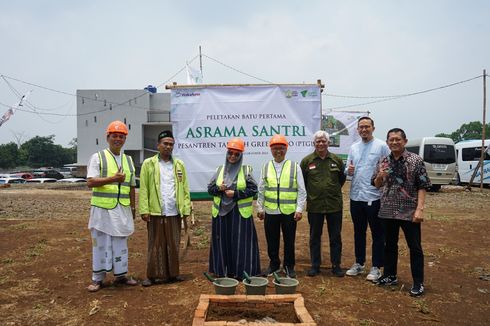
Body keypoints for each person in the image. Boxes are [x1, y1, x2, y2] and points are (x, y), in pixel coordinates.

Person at [373, 128, 431, 297]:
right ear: (387, 142)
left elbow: (423, 186)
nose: (394, 142)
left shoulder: (415, 160)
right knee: (389, 246)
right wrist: (380, 176)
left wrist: (419, 209)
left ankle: (418, 283)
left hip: (409, 211)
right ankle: (390, 275)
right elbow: (376, 184)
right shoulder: (384, 161)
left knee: (415, 247)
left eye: (398, 139)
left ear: (404, 141)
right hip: (387, 210)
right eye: (391, 139)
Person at [86, 120, 138, 292]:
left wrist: (133, 208)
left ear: (125, 139)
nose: (118, 139)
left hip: (122, 209)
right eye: (114, 136)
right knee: (100, 243)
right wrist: (112, 179)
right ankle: (97, 278)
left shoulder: (128, 160)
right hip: (102, 209)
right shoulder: (98, 157)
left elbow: (131, 186)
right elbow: (91, 182)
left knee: (120, 242)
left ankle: (121, 275)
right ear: (108, 137)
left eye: (121, 136)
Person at [139, 130, 191, 286]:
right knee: (155, 244)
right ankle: (152, 275)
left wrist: (186, 209)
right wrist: (144, 209)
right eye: (165, 144)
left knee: (173, 243)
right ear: (158, 145)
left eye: (171, 144)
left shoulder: (179, 164)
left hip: (174, 211)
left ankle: (173, 274)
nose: (168, 147)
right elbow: (144, 188)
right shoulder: (149, 164)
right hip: (156, 211)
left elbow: (185, 188)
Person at [207, 137, 261, 279]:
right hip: (221, 214)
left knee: (240, 243)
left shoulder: (246, 170)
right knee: (222, 241)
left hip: (239, 213)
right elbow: (210, 189)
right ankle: (223, 271)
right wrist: (219, 188)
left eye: (237, 154)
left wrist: (235, 193)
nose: (233, 156)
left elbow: (253, 189)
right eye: (230, 153)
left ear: (241, 155)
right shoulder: (220, 170)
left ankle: (241, 272)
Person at [345, 117, 390, 281]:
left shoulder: (381, 146)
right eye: (361, 127)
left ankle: (376, 266)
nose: (364, 130)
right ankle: (359, 263)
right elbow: (347, 170)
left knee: (377, 233)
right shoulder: (354, 147)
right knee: (359, 232)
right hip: (356, 196)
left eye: (367, 127)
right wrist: (348, 170)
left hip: (374, 196)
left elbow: (388, 167)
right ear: (357, 130)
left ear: (373, 128)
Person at [257, 134, 306, 278]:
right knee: (272, 240)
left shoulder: (294, 166)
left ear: (286, 149)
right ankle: (273, 265)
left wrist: (299, 209)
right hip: (271, 211)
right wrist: (260, 208)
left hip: (289, 211)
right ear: (271, 150)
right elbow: (261, 189)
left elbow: (301, 190)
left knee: (289, 240)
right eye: (275, 148)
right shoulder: (266, 166)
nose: (278, 151)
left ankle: (289, 266)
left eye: (281, 148)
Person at [300, 130, 346, 277]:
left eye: (323, 141)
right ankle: (315, 265)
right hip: (315, 205)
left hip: (334, 205)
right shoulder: (307, 161)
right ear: (314, 143)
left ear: (328, 143)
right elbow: (303, 183)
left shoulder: (337, 160)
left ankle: (336, 265)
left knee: (335, 237)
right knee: (314, 236)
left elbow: (341, 180)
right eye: (318, 141)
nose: (321, 143)